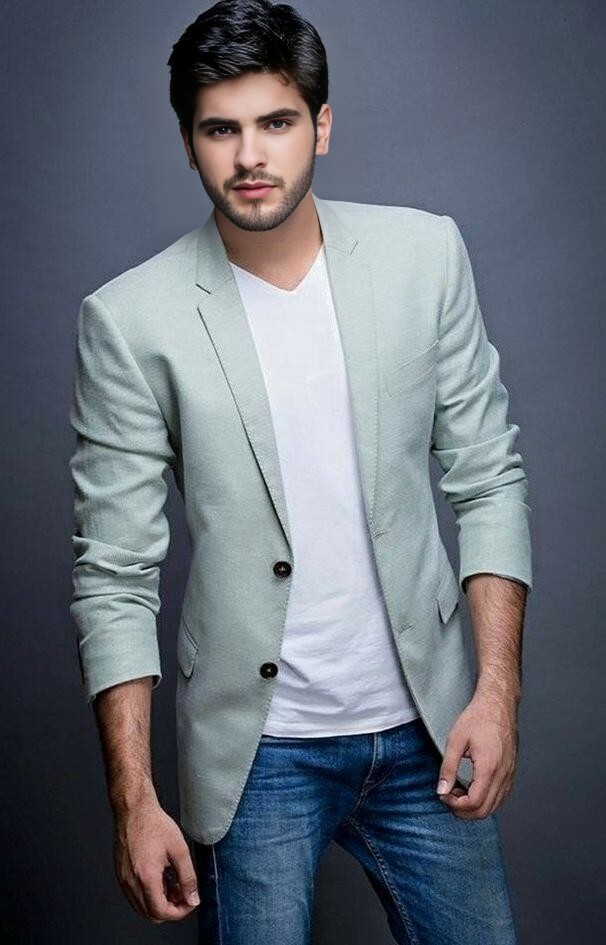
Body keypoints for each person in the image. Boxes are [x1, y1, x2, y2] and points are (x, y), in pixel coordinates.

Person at [68, 1, 533, 942]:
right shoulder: (131, 320)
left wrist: (495, 693)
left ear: (321, 125)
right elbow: (114, 574)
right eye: (220, 129)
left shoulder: (424, 256)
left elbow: (489, 479)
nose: (250, 156)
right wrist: (135, 799)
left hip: (429, 726)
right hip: (257, 754)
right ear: (188, 142)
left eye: (276, 122)